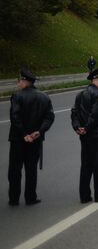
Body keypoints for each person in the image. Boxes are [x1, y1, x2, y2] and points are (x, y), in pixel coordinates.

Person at [7, 70, 55, 206]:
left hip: (18, 139)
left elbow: (15, 117)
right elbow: (49, 117)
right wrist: (39, 132)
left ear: (25, 81)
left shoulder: (17, 96)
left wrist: (24, 134)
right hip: (36, 139)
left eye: (20, 81)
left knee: (15, 169)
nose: (18, 83)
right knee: (31, 169)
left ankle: (14, 198)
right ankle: (30, 197)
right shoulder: (44, 97)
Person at [71, 67, 98, 203]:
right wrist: (87, 127)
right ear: (94, 80)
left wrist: (78, 127)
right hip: (96, 135)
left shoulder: (80, 94)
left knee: (86, 165)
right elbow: (95, 114)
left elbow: (74, 113)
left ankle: (84, 196)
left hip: (84, 135)